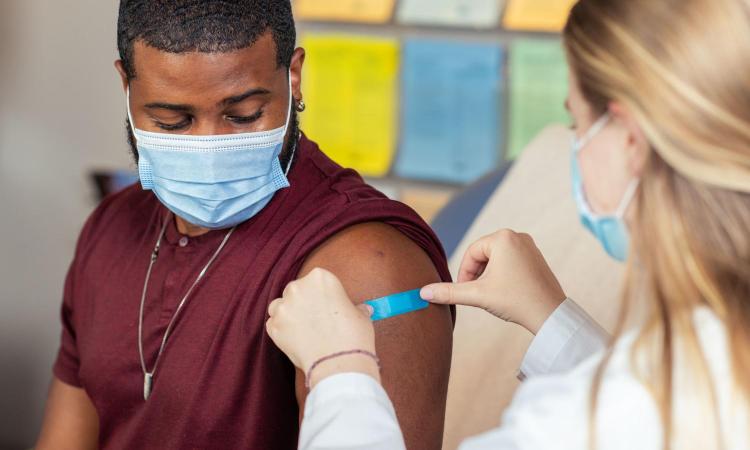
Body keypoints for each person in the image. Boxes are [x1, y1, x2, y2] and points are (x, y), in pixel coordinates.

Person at [266, 0, 750, 448]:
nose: (573, 148)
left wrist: (339, 369)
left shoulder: (585, 417)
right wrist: (551, 317)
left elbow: (626, 413)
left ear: (630, 142)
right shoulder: (702, 363)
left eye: (576, 126)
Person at [34, 1, 455, 449]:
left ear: (293, 77)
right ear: (126, 85)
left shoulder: (367, 265)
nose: (209, 147)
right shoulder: (112, 226)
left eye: (244, 115)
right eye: (172, 122)